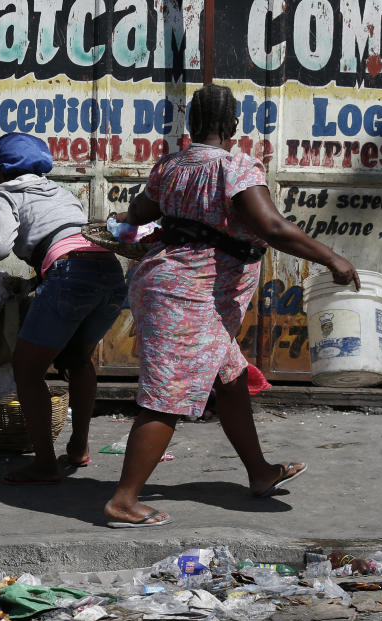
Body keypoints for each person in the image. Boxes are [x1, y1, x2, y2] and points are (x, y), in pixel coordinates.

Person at [104, 85, 359, 527]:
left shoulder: (171, 164)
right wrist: (330, 256)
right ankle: (124, 499)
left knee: (231, 378)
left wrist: (130, 225)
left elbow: (140, 211)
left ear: (192, 124)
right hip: (188, 294)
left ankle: (260, 473)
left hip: (174, 286)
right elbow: (272, 227)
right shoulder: (234, 166)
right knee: (169, 396)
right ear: (234, 125)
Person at [0, 133, 128, 485]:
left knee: (27, 371)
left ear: (1, 170)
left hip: (70, 275)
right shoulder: (61, 192)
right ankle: (78, 447)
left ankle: (43, 464)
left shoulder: (7, 193)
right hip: (110, 275)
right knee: (78, 360)